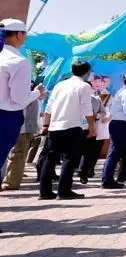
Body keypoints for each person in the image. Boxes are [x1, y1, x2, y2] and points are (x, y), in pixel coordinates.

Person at [40, 60, 95, 199]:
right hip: (72, 126)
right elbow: (87, 108)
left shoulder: (60, 85)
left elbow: (49, 107)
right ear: (86, 73)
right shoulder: (84, 86)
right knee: (69, 159)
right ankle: (64, 191)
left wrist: (46, 125)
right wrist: (91, 127)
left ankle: (44, 192)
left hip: (54, 126)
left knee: (50, 159)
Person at [0, 19, 46, 174]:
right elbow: (18, 98)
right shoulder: (18, 61)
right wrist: (38, 93)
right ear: (19, 35)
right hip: (5, 117)